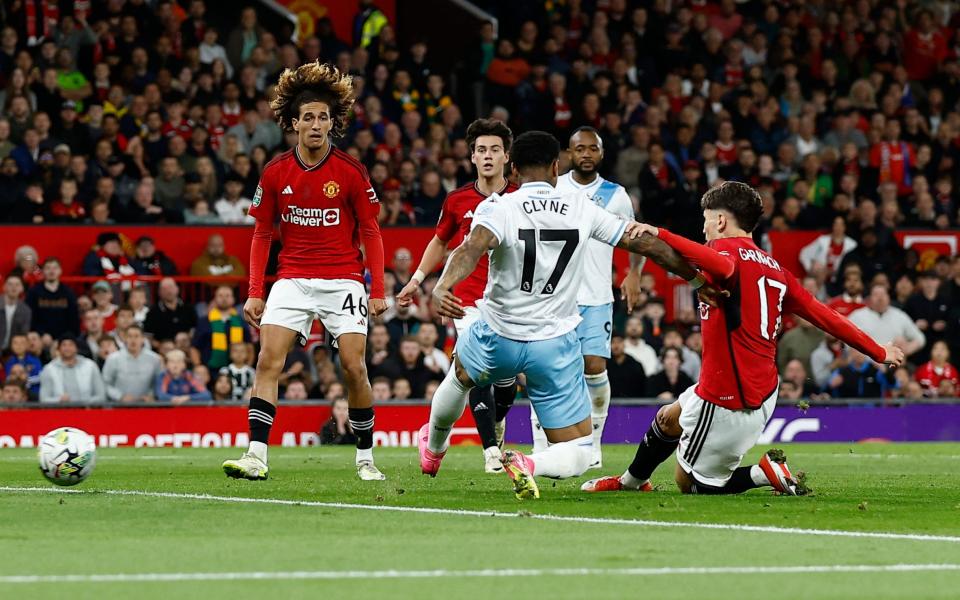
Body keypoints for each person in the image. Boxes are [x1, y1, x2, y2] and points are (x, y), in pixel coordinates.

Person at [420, 130, 714, 499]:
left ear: (512, 168)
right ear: (557, 167)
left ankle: (434, 448)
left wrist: (442, 285)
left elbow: (470, 247)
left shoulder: (498, 207)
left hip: (497, 335)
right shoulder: (581, 206)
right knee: (578, 452)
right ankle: (530, 463)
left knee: (461, 375)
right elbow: (644, 242)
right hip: (554, 346)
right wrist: (696, 278)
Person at [582, 181, 903, 496]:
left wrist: (661, 232)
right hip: (760, 387)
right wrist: (878, 350)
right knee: (668, 418)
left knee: (692, 484)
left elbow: (717, 263)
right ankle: (631, 482)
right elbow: (826, 316)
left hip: (729, 396)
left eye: (706, 219)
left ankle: (762, 473)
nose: (704, 227)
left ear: (720, 220)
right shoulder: (777, 270)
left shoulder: (724, 253)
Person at [222, 62, 388, 482]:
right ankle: (256, 456)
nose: (316, 124)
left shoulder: (350, 171)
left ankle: (365, 457)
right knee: (267, 361)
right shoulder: (276, 171)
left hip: (344, 280)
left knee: (354, 367)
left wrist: (378, 287)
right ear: (293, 123)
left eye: (324, 117)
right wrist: (256, 291)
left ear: (333, 124)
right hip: (292, 278)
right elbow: (262, 233)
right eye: (309, 117)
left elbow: (371, 230)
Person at [396, 118, 519, 474]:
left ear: (507, 156)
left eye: (495, 149)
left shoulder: (520, 198)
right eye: (481, 150)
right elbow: (440, 241)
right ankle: (491, 452)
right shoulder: (457, 200)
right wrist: (418, 280)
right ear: (472, 157)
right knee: (478, 367)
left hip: (509, 302)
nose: (488, 156)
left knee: (501, 381)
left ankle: (439, 437)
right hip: (466, 301)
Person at [534, 126, 643, 468]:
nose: (585, 154)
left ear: (601, 153)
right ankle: (542, 444)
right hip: (554, 296)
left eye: (591, 149)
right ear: (568, 154)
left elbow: (635, 236)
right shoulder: (554, 188)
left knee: (594, 367)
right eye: (578, 149)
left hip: (596, 295)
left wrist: (634, 272)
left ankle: (594, 444)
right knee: (546, 369)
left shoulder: (616, 195)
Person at [849, 285, 925, 361]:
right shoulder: (857, 316)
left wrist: (906, 349)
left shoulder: (899, 315)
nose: (880, 298)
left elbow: (920, 338)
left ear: (888, 298)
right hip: (864, 364)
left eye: (883, 294)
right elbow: (844, 340)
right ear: (869, 299)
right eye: (876, 295)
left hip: (893, 364)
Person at [101, 325, 163, 403]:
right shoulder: (113, 359)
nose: (133, 340)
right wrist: (120, 396)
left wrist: (151, 395)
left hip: (146, 406)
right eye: (129, 336)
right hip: (119, 406)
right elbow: (105, 383)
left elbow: (159, 382)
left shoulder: (154, 359)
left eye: (136, 336)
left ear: (143, 339)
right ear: (125, 339)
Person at [194, 285, 249, 370]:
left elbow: (249, 346)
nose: (224, 299)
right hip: (210, 370)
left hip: (236, 370)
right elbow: (195, 347)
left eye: (227, 295)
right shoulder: (204, 321)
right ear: (215, 299)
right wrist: (198, 366)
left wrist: (246, 367)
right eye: (220, 295)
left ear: (233, 299)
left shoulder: (241, 321)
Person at [39, 337, 107, 404]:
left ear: (76, 348)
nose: (67, 348)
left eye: (71, 345)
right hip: (60, 412)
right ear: (59, 349)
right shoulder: (49, 369)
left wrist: (86, 402)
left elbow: (101, 395)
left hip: (87, 411)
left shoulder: (90, 366)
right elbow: (44, 399)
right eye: (64, 345)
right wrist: (59, 400)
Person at [25, 257, 79, 339]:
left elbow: (73, 320)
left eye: (55, 268)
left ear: (60, 271)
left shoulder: (69, 293)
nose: (51, 271)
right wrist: (41, 334)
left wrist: (64, 339)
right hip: (40, 338)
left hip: (64, 339)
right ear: (42, 271)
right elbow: (30, 319)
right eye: (48, 268)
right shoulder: (33, 292)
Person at [144, 277, 197, 344]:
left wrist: (187, 339)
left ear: (177, 289)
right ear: (159, 292)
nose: (168, 291)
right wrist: (161, 346)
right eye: (164, 289)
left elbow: (194, 329)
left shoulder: (188, 309)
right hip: (163, 350)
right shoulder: (153, 312)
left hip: (185, 346)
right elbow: (148, 337)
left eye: (171, 287)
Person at [607, 333, 647, 397]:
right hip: (611, 403)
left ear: (624, 343)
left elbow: (643, 387)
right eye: (612, 342)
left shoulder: (635, 365)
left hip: (633, 404)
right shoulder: (604, 365)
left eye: (619, 342)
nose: (616, 345)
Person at [1, 274, 31, 351]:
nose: (13, 287)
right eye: (10, 284)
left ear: (22, 288)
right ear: (4, 287)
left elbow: (23, 334)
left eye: (17, 284)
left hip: (14, 351)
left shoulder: (26, 310)